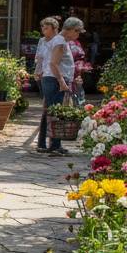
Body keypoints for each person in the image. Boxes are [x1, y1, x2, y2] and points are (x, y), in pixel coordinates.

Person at [43, 16, 84, 156]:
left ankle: (55, 144)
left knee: (55, 112)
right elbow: (53, 64)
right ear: (70, 29)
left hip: (53, 79)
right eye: (77, 31)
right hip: (54, 80)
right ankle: (55, 145)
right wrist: (62, 82)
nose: (77, 35)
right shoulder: (60, 42)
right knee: (56, 112)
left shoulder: (59, 41)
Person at [33, 16, 60, 153]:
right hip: (45, 76)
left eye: (46, 27)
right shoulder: (42, 41)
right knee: (47, 109)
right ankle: (43, 141)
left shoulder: (59, 41)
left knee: (54, 109)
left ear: (54, 28)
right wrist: (37, 73)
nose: (43, 29)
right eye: (42, 27)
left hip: (57, 76)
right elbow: (39, 58)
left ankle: (51, 142)